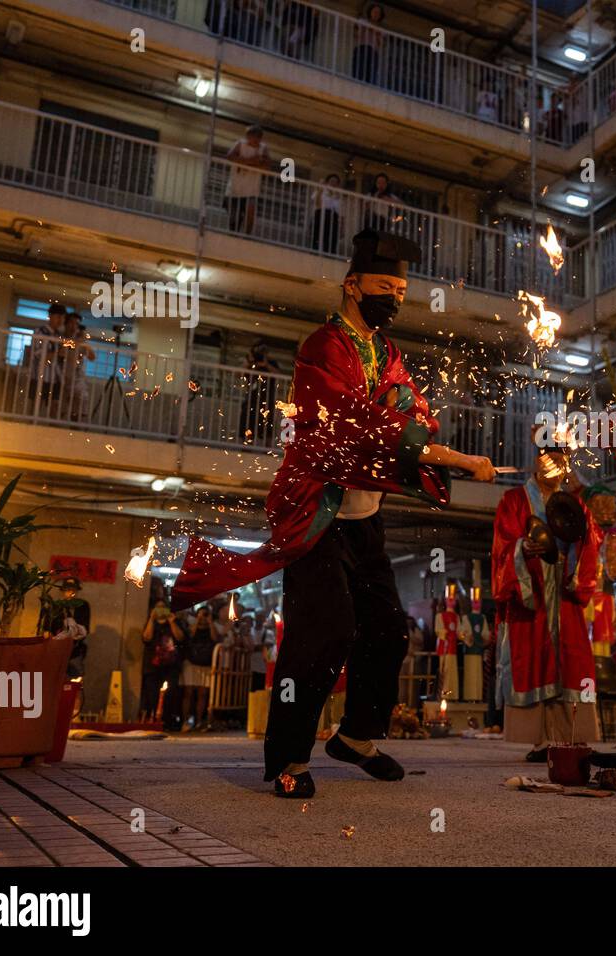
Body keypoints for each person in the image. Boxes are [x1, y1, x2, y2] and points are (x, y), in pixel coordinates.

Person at [171, 229, 496, 798]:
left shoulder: (388, 354)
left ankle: (357, 736)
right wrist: (458, 458)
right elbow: (367, 427)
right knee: (323, 632)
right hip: (316, 514)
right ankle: (291, 758)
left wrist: (422, 438)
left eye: (400, 289)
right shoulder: (323, 348)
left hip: (364, 517)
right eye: (384, 287)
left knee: (389, 630)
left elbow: (415, 416)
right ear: (352, 285)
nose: (394, 298)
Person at [492, 437, 601, 762]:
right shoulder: (513, 500)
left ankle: (571, 738)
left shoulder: (575, 504)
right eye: (547, 459)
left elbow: (590, 542)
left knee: (572, 659)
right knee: (531, 657)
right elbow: (502, 545)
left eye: (559, 461)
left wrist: (574, 567)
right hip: (531, 590)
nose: (553, 466)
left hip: (564, 588)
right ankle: (537, 740)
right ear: (537, 462)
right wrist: (522, 549)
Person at [140, 598, 184, 724]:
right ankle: (152, 719)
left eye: (163, 607)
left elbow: (180, 638)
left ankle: (167, 720)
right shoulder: (151, 622)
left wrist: (172, 621)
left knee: (170, 694)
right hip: (152, 666)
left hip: (171, 666)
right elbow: (146, 638)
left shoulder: (174, 622)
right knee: (152, 694)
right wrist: (152, 619)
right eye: (157, 607)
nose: (160, 610)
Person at [224, 125, 271, 235]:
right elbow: (230, 157)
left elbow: (267, 166)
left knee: (251, 211)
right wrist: (252, 161)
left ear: (259, 139)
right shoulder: (240, 144)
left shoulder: (263, 148)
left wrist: (245, 164)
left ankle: (247, 236)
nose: (252, 142)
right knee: (234, 216)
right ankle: (233, 234)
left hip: (252, 189)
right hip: (235, 188)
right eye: (250, 138)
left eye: (255, 139)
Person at [181, 606, 216, 732]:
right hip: (191, 662)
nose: (204, 617)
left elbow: (214, 638)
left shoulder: (212, 627)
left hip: (205, 663)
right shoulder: (192, 626)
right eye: (201, 614)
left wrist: (210, 622)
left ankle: (199, 721)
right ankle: (185, 720)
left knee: (203, 693)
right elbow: (191, 636)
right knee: (188, 692)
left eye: (206, 614)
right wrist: (198, 620)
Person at [239, 339, 280, 446]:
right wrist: (251, 362)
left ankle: (267, 449)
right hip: (251, 399)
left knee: (267, 424)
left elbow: (278, 374)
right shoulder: (250, 361)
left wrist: (266, 364)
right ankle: (247, 446)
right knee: (248, 422)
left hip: (267, 399)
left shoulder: (271, 363)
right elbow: (240, 373)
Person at [49, 576, 91, 680]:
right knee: (55, 679)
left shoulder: (83, 605)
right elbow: (48, 627)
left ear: (77, 591)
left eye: (73, 590)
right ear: (62, 591)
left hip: (75, 650)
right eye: (67, 590)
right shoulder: (56, 606)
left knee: (74, 681)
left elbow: (85, 628)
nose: (70, 592)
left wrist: (74, 637)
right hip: (56, 650)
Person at [29, 303, 66, 417]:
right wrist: (58, 353)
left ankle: (51, 432)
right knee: (36, 407)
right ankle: (31, 429)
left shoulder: (59, 335)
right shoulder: (40, 332)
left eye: (62, 317)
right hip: (40, 376)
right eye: (58, 316)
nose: (60, 320)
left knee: (54, 407)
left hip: (55, 377)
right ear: (50, 316)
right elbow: (40, 356)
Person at [58, 312, 95, 423]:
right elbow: (61, 353)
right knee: (60, 407)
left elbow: (92, 357)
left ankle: (75, 428)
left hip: (77, 377)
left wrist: (84, 343)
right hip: (60, 377)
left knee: (80, 403)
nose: (74, 326)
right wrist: (75, 343)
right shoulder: (59, 336)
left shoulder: (81, 340)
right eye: (71, 323)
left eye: (76, 324)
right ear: (66, 324)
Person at [433, 592, 462, 702]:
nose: (451, 601)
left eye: (453, 599)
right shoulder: (440, 616)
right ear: (445, 601)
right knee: (444, 670)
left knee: (452, 671)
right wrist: (447, 634)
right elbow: (438, 630)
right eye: (449, 599)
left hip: (453, 647)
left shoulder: (456, 617)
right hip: (444, 647)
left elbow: (459, 632)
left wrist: (463, 635)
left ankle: (452, 695)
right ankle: (442, 694)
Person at [352, 3, 386, 86]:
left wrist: (375, 32)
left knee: (370, 73)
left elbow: (382, 44)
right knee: (359, 70)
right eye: (374, 11)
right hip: (362, 48)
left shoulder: (381, 30)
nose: (376, 14)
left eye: (378, 13)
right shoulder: (362, 21)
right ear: (370, 12)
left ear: (380, 16)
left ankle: (369, 86)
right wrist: (367, 28)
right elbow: (356, 35)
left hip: (373, 51)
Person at [311, 173, 344, 255]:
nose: (333, 184)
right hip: (321, 215)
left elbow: (340, 212)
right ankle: (315, 250)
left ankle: (329, 253)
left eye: (336, 182)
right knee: (318, 236)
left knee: (331, 239)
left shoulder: (339, 195)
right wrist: (320, 189)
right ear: (327, 182)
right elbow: (316, 203)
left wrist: (342, 228)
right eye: (332, 181)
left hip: (333, 218)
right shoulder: (321, 191)